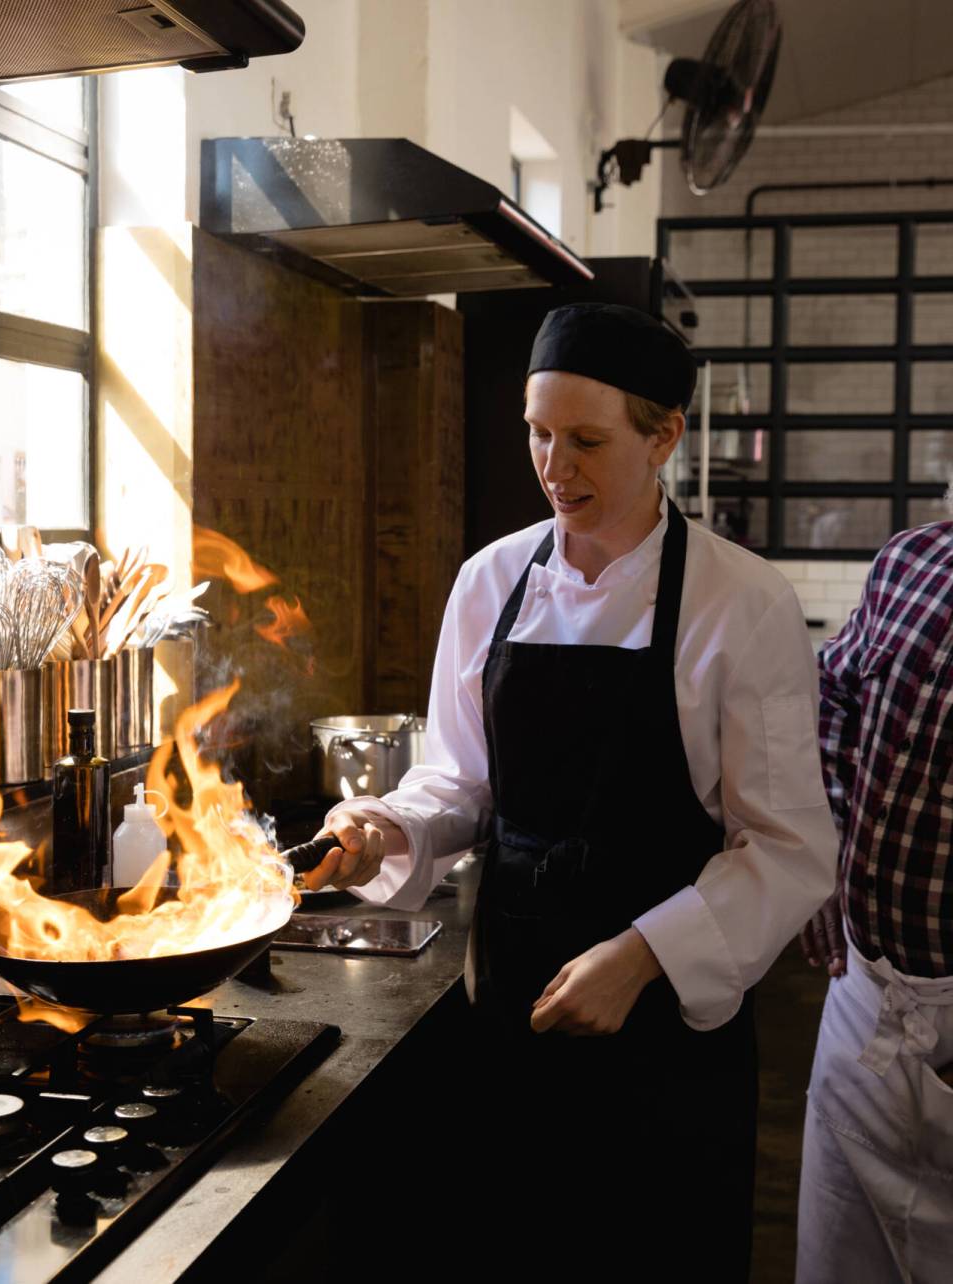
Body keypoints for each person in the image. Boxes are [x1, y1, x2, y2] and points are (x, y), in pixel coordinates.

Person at [305, 303, 836, 1279]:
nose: (553, 468)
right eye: (537, 434)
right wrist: (384, 827)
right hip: (512, 1007)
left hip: (663, 1031)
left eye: (585, 441)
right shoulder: (489, 581)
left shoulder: (738, 601)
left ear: (663, 436)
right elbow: (458, 780)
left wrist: (639, 957)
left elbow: (788, 848)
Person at [798, 516, 953, 1284]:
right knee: (835, 1257)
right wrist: (826, 850)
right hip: (861, 990)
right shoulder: (916, 558)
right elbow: (833, 691)